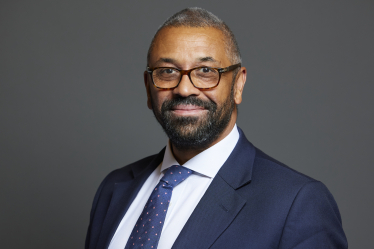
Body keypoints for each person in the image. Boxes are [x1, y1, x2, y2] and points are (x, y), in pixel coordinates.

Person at [85, 7, 347, 249]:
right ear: (148, 86)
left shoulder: (297, 204)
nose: (184, 88)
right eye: (167, 71)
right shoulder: (114, 187)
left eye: (206, 71)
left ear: (238, 85)